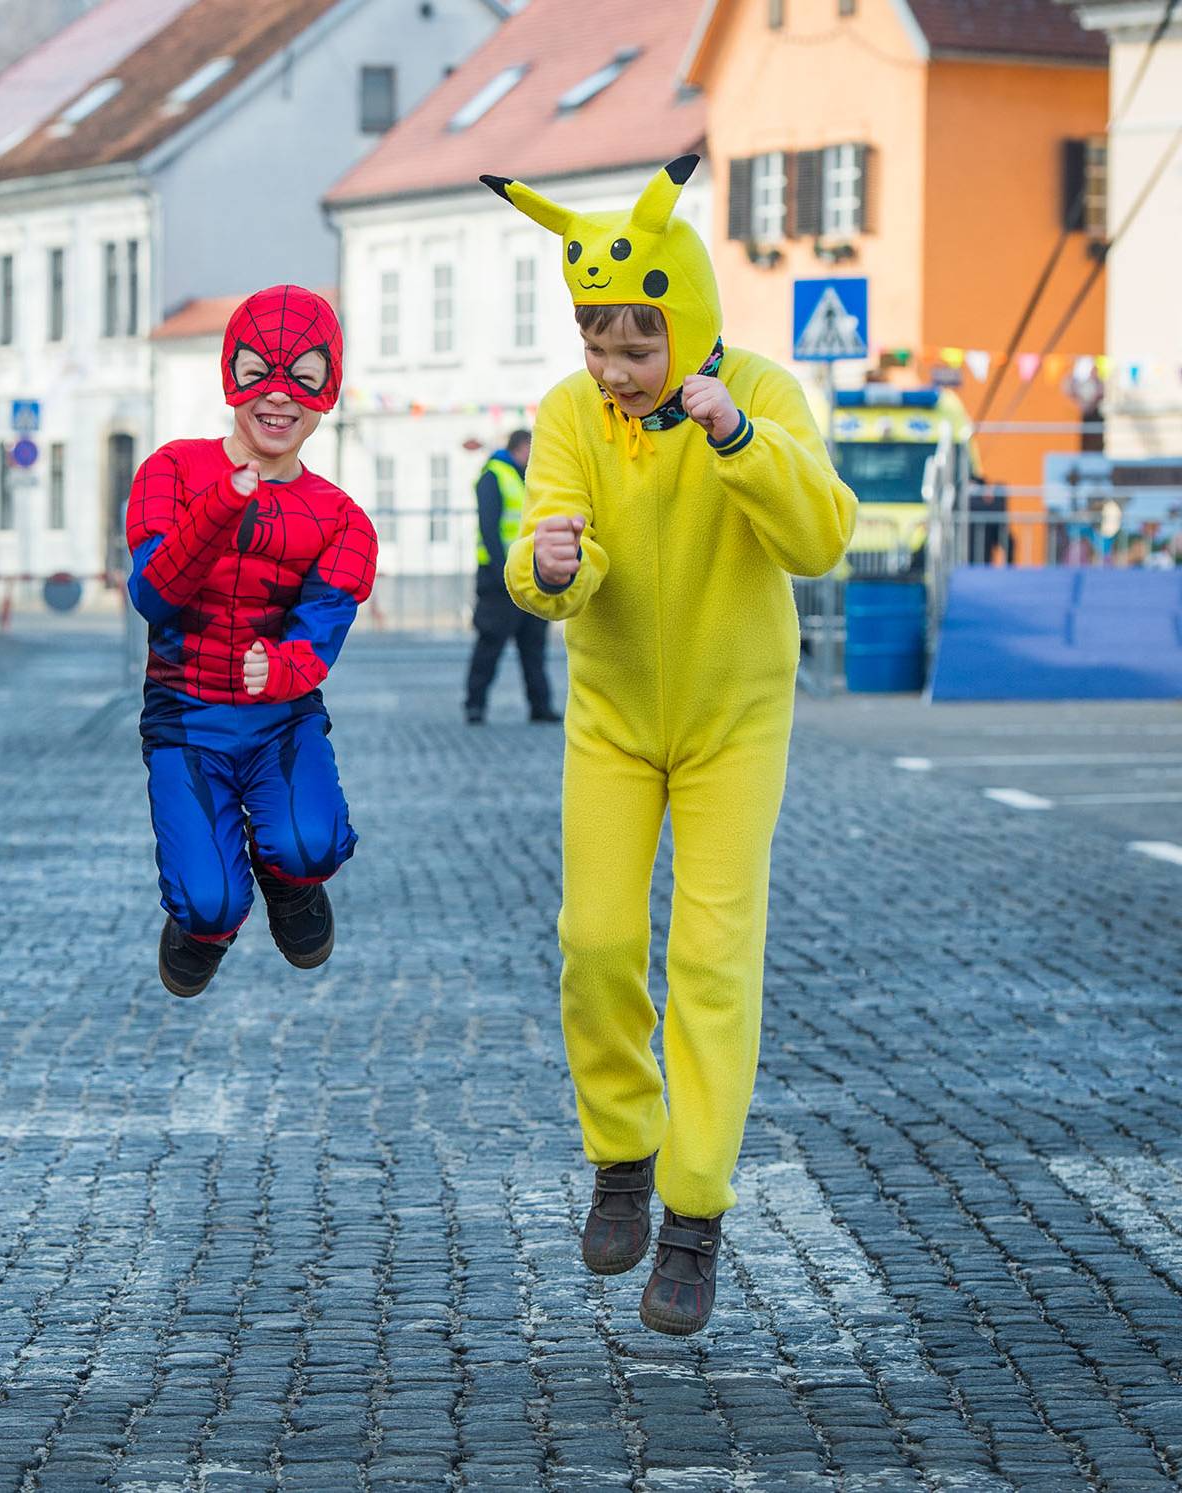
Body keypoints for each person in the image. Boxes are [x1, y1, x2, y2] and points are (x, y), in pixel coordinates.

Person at [483, 156, 855, 1334]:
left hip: (736, 723)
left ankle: (693, 1217)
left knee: (709, 958)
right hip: (611, 720)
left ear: (688, 331)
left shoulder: (765, 394)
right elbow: (552, 553)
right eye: (597, 343)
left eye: (635, 349)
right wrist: (549, 567)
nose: (612, 369)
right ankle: (621, 1159)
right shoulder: (567, 414)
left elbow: (821, 538)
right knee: (594, 943)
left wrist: (737, 438)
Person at [126, 285, 378, 999]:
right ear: (229, 374)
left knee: (312, 844)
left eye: (301, 377)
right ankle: (203, 925)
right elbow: (153, 595)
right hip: (186, 715)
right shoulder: (171, 472)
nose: (277, 397)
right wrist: (219, 508)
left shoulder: (342, 519)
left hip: (280, 715)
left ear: (327, 388)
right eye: (258, 372)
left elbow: (323, 625)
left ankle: (288, 877)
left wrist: (288, 665)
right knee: (208, 901)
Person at [464, 427, 556, 724]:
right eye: (533, 448)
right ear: (521, 447)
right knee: (490, 645)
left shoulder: (527, 477)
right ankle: (475, 706)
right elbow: (489, 530)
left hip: (531, 574)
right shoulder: (494, 475)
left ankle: (540, 707)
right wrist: (504, 572)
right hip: (498, 578)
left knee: (534, 647)